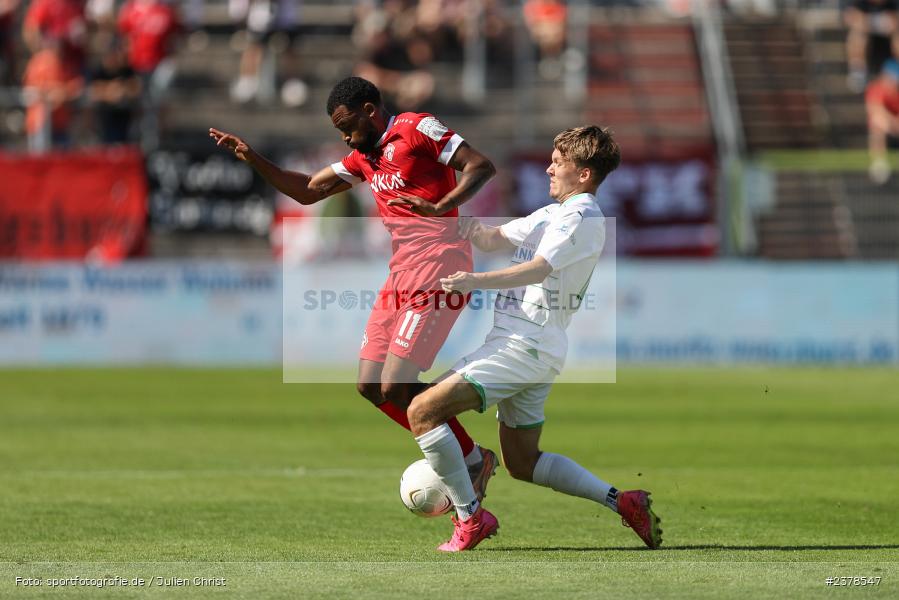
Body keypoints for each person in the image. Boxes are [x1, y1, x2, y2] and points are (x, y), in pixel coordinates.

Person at [209, 76, 500, 498]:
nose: (345, 137)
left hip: (441, 265)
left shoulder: (417, 128)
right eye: (339, 130)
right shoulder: (365, 157)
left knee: (395, 384)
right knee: (370, 385)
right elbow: (308, 190)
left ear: (370, 110)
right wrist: (254, 159)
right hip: (401, 272)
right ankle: (474, 456)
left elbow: (481, 166)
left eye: (348, 126)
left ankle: (470, 459)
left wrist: (442, 206)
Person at [406, 126, 663, 552]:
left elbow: (540, 268)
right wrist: (447, 215)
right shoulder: (552, 214)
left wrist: (474, 280)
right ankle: (623, 501)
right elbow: (492, 238)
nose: (549, 168)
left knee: (423, 410)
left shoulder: (582, 217)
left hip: (523, 345)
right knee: (523, 463)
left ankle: (470, 517)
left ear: (584, 174)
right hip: (531, 346)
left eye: (558, 162)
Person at [844, 0, 899, 93]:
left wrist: (868, 21)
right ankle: (858, 71)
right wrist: (878, 22)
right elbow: (850, 18)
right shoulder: (860, 3)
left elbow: (895, 21)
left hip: (888, 46)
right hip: (869, 46)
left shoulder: (893, 3)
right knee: (857, 34)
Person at [865, 59, 899, 183]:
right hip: (886, 128)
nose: (893, 83)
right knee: (878, 123)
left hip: (894, 126)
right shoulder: (876, 88)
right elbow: (876, 111)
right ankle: (879, 163)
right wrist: (893, 123)